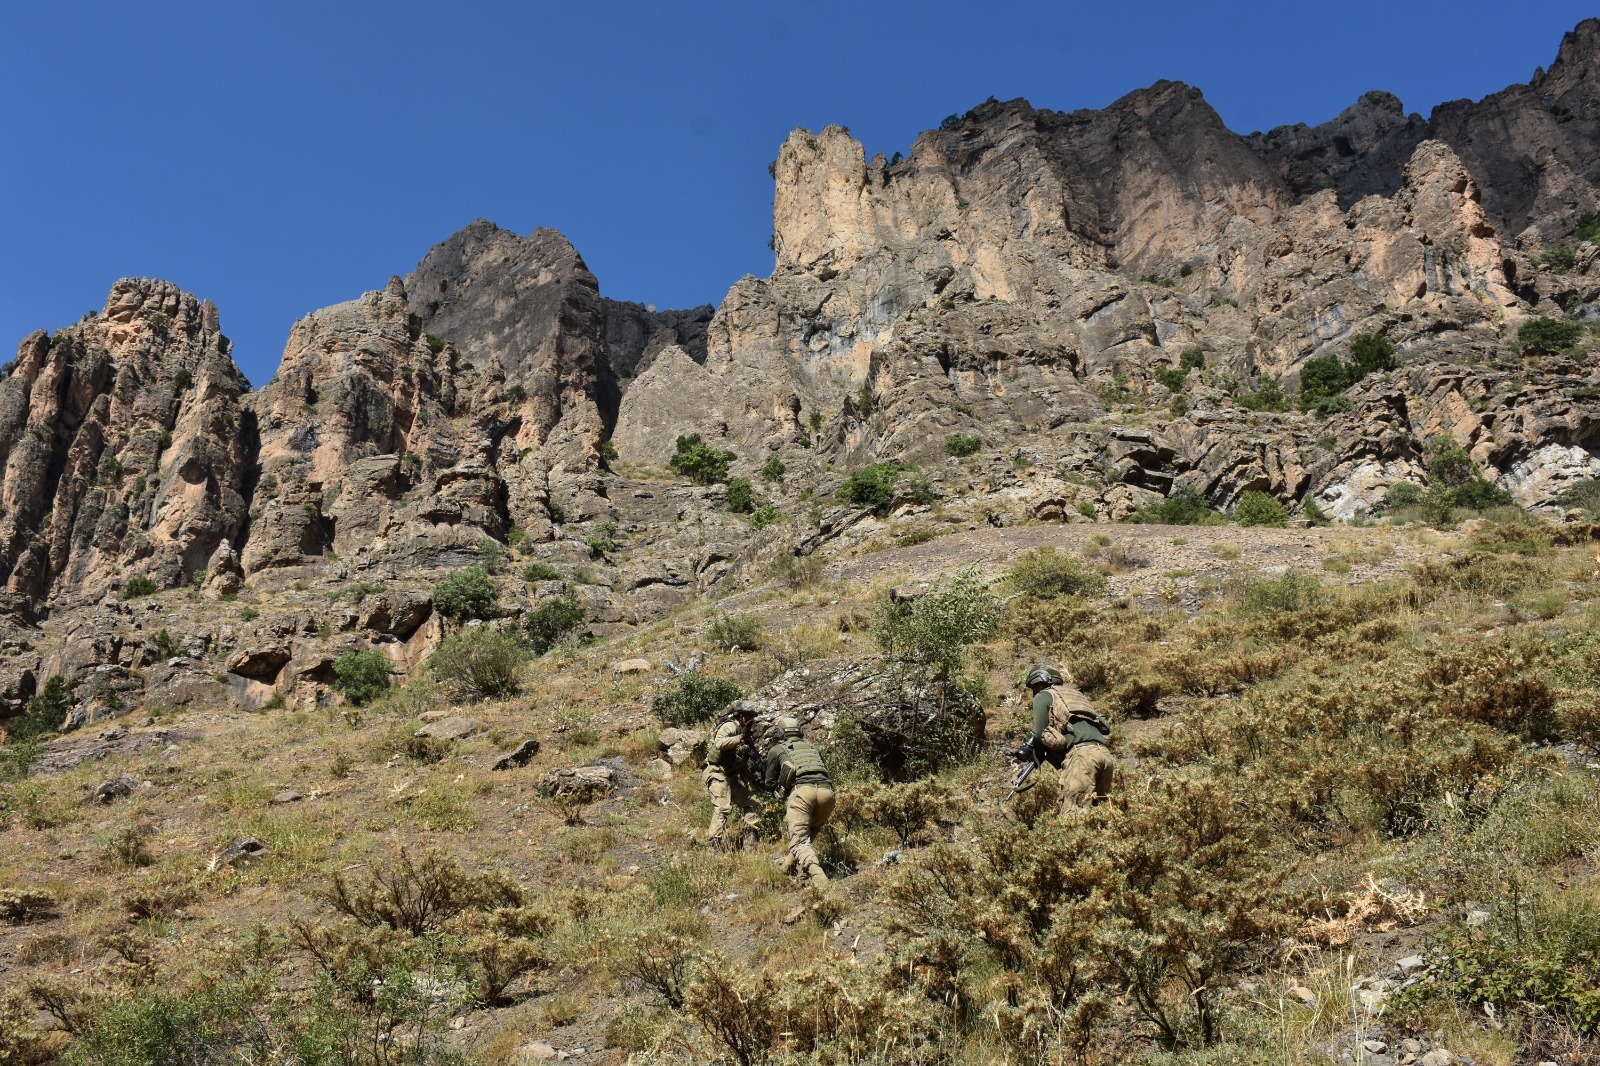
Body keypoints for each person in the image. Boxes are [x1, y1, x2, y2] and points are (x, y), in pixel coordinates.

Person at [1013, 663, 1113, 810]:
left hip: (1082, 757)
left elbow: (1039, 733)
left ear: (1040, 684)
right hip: (1105, 756)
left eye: (1033, 688)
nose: (1034, 693)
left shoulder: (1043, 695)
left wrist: (1038, 756)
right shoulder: (1078, 697)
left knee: (1074, 815)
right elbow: (1105, 728)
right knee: (1101, 813)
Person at [763, 715, 835, 886]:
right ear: (800, 731)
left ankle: (818, 877)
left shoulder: (777, 749)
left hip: (802, 793)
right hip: (827, 793)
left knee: (799, 842)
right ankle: (787, 867)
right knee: (811, 830)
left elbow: (769, 783)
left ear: (780, 733)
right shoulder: (813, 747)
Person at [703, 704, 760, 851]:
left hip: (730, 777)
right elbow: (719, 743)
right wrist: (739, 738)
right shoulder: (730, 727)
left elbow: (741, 765)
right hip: (716, 772)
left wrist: (753, 778)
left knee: (752, 802)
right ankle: (714, 845)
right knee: (722, 807)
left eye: (752, 716)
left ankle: (750, 838)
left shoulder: (745, 737)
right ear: (740, 716)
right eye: (747, 715)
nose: (750, 719)